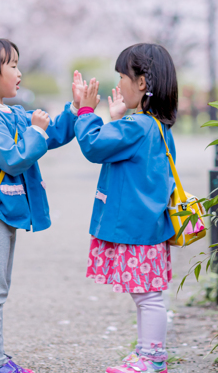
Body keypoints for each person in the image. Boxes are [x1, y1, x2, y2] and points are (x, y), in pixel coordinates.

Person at [0, 38, 85, 373]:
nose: (20, 73)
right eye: (13, 66)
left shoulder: (10, 113)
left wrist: (75, 109)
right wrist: (34, 132)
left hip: (4, 210)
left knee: (0, 286)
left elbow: (49, 135)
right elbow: (14, 157)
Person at [74, 43, 179, 373]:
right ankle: (147, 352)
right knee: (145, 295)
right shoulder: (153, 126)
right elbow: (118, 145)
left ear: (143, 83)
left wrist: (86, 113)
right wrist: (116, 118)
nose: (118, 85)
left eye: (122, 77)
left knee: (147, 297)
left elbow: (94, 145)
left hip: (139, 229)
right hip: (148, 226)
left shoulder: (137, 127)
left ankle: (153, 357)